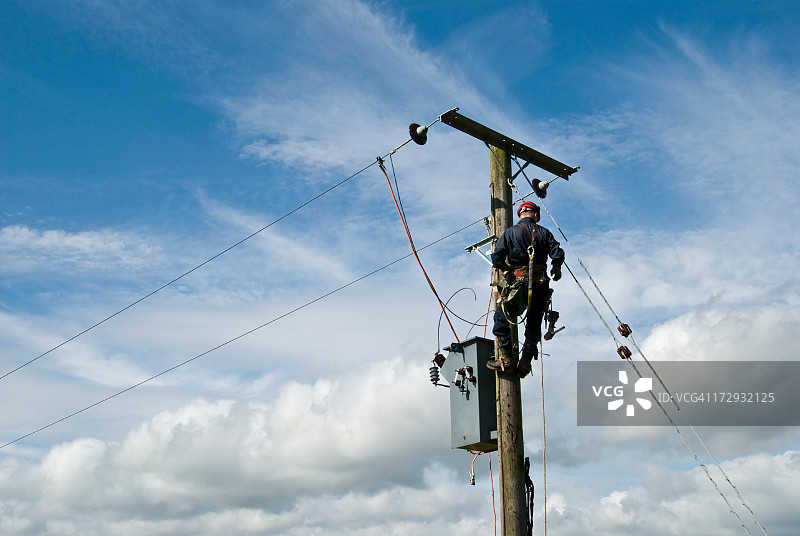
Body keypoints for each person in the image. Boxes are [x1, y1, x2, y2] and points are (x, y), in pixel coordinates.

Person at [487, 200, 564, 378]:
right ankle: (525, 362)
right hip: (540, 286)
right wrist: (556, 267)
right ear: (536, 215)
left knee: (501, 318)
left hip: (518, 286)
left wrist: (507, 269)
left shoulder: (510, 233)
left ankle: (506, 359)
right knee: (534, 323)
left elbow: (497, 258)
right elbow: (557, 253)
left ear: (520, 215)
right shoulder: (544, 233)